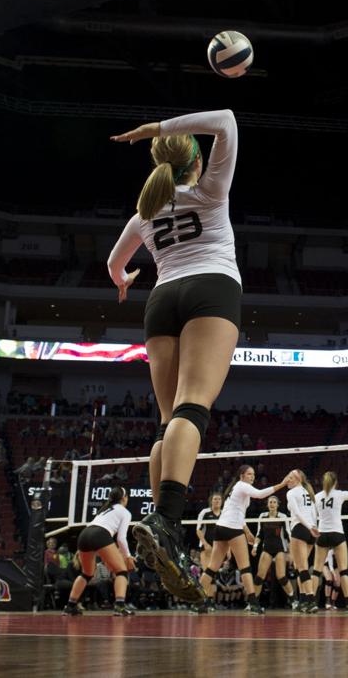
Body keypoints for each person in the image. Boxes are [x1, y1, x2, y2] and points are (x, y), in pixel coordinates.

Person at [109, 108, 242, 604]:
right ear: (196, 160)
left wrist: (124, 281)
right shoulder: (208, 191)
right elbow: (227, 118)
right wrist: (160, 127)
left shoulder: (145, 212)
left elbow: (114, 264)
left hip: (161, 298)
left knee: (169, 420)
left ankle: (165, 527)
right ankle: (166, 520)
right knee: (193, 408)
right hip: (211, 289)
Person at [196, 465, 292, 614]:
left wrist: (247, 532)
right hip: (232, 528)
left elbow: (238, 514)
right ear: (241, 476)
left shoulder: (237, 489)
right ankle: (253, 604)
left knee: (212, 567)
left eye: (253, 474)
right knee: (245, 568)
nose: (252, 477)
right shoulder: (242, 486)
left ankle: (196, 601)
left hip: (220, 528)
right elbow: (260, 494)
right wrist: (283, 483)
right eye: (249, 474)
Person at [64, 486, 136, 617]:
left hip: (84, 535)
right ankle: (119, 606)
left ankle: (70, 606)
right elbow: (121, 538)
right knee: (121, 571)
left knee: (86, 574)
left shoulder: (104, 510)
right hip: (100, 535)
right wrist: (128, 556)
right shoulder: (125, 512)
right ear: (124, 498)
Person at [313, 470, 348, 614]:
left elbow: (311, 514)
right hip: (337, 534)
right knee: (343, 571)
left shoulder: (317, 497)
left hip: (322, 534)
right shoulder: (340, 494)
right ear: (336, 482)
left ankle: (309, 602)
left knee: (316, 571)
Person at [251, 495, 296, 609]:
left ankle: (293, 600)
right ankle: (253, 603)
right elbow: (259, 534)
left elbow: (288, 535)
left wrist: (290, 553)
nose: (272, 504)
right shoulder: (262, 516)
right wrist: (255, 547)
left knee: (281, 576)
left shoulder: (283, 517)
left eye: (274, 502)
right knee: (259, 577)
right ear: (267, 504)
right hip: (267, 549)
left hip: (280, 549)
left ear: (277, 505)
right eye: (270, 502)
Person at [285, 469, 319, 613]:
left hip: (301, 528)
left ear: (298, 480)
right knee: (301, 568)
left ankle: (311, 600)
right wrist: (314, 528)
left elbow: (298, 514)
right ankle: (304, 600)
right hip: (310, 530)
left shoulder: (291, 493)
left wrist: (309, 527)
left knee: (302, 568)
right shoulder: (307, 492)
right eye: (288, 476)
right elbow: (314, 513)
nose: (288, 479)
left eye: (291, 477)